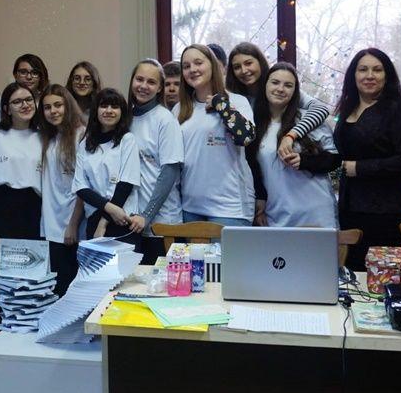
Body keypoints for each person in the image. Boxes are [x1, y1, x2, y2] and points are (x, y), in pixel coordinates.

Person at [334, 48, 401, 271]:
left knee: (385, 278)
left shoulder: (398, 108)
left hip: (386, 211)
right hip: (349, 208)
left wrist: (359, 168)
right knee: (354, 276)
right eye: (363, 69)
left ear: (386, 75)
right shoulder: (347, 107)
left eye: (377, 70)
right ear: (353, 75)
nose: (369, 75)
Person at [0, 83, 44, 342]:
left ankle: (28, 331)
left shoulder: (44, 134)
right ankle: (0, 332)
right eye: (17, 101)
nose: (25, 105)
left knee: (32, 271)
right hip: (2, 207)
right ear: (6, 108)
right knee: (0, 272)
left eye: (28, 99)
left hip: (34, 208)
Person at [175, 44, 256, 226]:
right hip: (190, 208)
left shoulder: (237, 101)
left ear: (212, 65)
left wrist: (220, 104)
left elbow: (246, 137)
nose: (192, 69)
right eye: (186, 66)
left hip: (230, 208)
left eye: (198, 63)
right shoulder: (179, 109)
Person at [249, 63, 339, 228]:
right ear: (265, 85)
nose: (280, 89)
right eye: (275, 82)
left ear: (295, 91)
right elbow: (253, 169)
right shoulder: (254, 124)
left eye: (288, 85)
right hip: (276, 213)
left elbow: (334, 159)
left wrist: (304, 161)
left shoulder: (309, 119)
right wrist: (260, 200)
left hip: (316, 213)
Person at [226, 42, 329, 159]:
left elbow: (321, 109)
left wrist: (292, 135)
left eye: (248, 63)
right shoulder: (234, 98)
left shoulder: (277, 89)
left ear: (260, 63)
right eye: (237, 67)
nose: (244, 70)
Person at [127, 60, 184, 264]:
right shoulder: (126, 118)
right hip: (133, 222)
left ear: (160, 88)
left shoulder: (165, 120)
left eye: (151, 82)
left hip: (161, 224)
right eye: (139, 79)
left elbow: (169, 173)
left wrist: (147, 215)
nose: (143, 86)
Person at [72, 88, 141, 245]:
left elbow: (126, 183)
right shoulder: (85, 144)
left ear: (122, 112)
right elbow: (80, 187)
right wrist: (109, 208)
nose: (109, 111)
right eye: (103, 106)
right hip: (95, 216)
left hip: (122, 218)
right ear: (96, 110)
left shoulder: (127, 140)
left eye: (115, 107)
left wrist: (103, 223)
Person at [37, 84, 85, 296]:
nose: (53, 111)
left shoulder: (81, 136)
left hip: (71, 225)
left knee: (70, 288)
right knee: (56, 287)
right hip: (51, 223)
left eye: (58, 105)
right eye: (47, 107)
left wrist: (73, 224)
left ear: (68, 106)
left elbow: (84, 186)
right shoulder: (49, 137)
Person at [0, 53, 49, 123]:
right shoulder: (2, 103)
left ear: (41, 76)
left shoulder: (48, 101)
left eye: (34, 73)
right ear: (15, 75)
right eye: (23, 72)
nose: (29, 77)